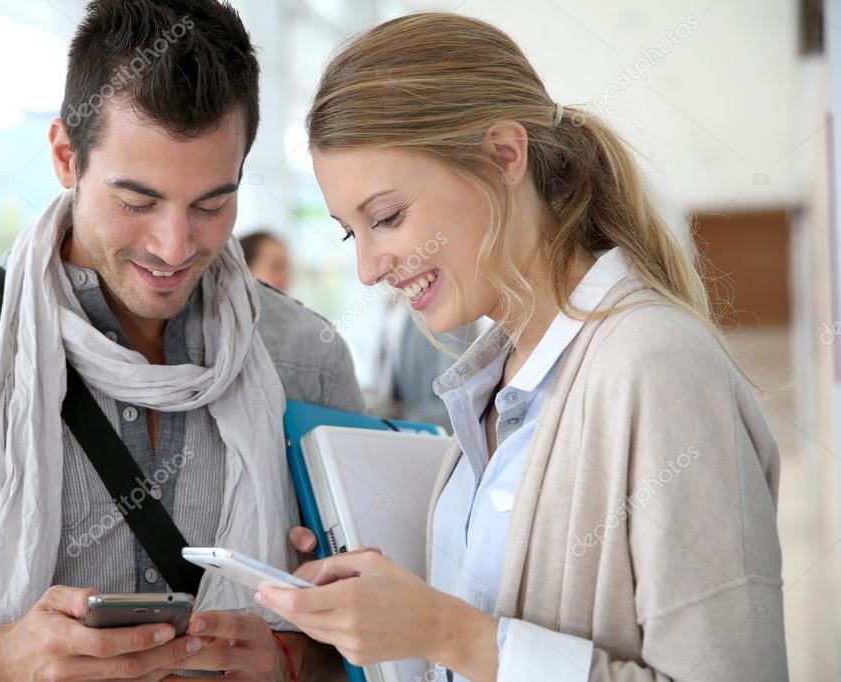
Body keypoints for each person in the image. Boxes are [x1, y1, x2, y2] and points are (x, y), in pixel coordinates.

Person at [0, 1, 363, 679]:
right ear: (64, 157)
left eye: (210, 204)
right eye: (136, 201)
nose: (173, 247)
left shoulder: (307, 354)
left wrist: (295, 658)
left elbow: (372, 632)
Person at [260, 12, 787, 681]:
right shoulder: (495, 386)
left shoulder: (656, 368)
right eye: (348, 233)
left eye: (387, 218)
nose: (367, 268)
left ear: (504, 155)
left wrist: (454, 635)